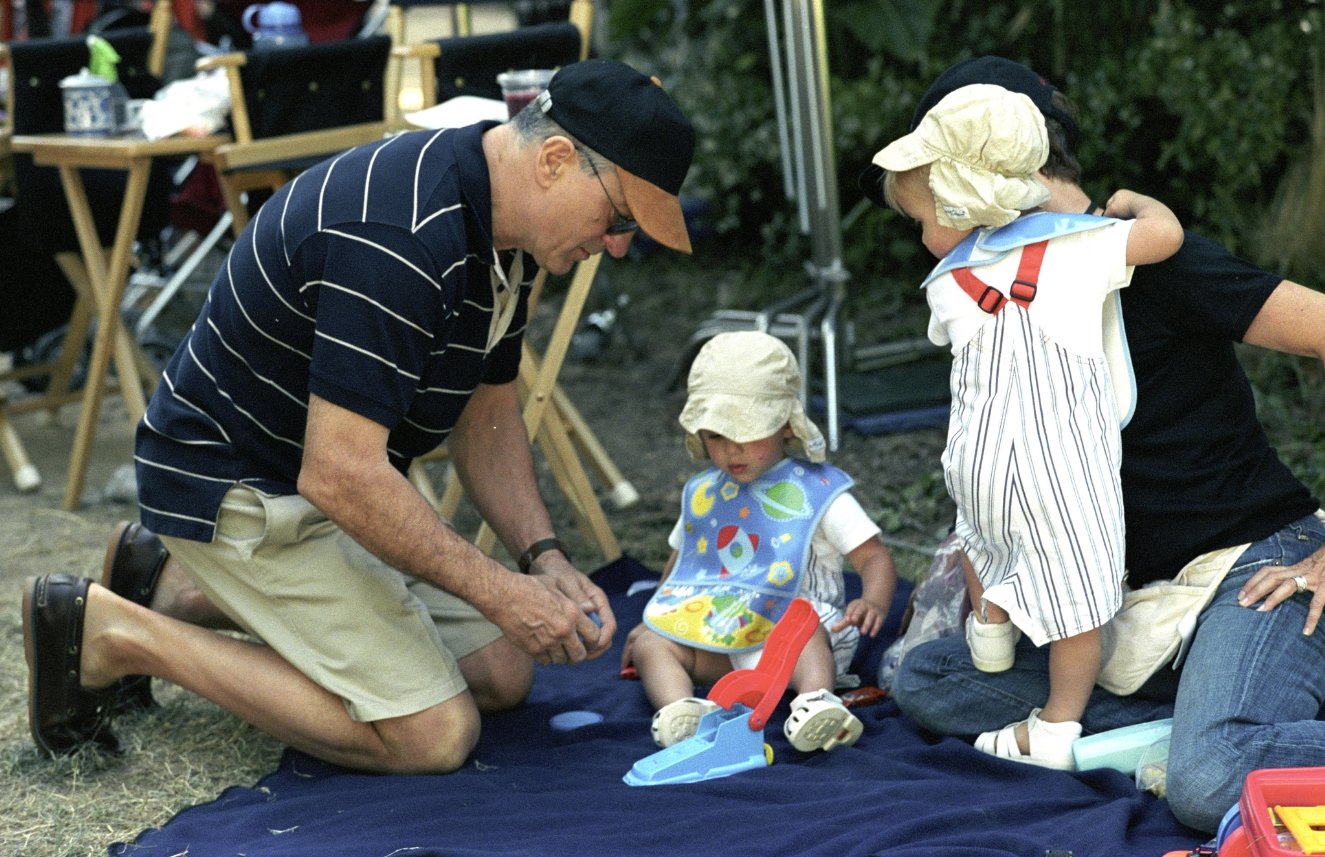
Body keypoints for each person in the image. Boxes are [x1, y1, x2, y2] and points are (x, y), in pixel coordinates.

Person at [21, 58, 696, 774]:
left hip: (326, 481)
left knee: (502, 670)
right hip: (240, 483)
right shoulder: (400, 236)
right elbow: (340, 474)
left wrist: (542, 557)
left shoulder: (512, 223)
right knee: (433, 735)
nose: (619, 244)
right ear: (556, 160)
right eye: (620, 217)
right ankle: (113, 631)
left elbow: (488, 406)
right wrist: (502, 589)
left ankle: (166, 581)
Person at [863, 55, 1325, 831]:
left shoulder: (1145, 258)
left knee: (1211, 781)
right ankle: (1192, 727)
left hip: (1246, 570)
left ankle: (1204, 737)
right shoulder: (986, 295)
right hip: (1113, 612)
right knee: (928, 675)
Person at [866, 82, 1184, 769]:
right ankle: (1056, 724)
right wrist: (1134, 205)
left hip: (977, 465)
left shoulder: (946, 287)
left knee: (985, 539)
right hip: (1062, 468)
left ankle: (990, 625)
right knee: (1077, 608)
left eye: (924, 219)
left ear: (961, 204)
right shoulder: (1080, 251)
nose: (924, 239)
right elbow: (1165, 238)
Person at [622, 331, 898, 752]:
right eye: (715, 436)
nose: (732, 449)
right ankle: (683, 712)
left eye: (747, 432)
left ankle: (814, 704)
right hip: (720, 635)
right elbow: (684, 562)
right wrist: (663, 613)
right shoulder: (705, 493)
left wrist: (874, 601)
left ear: (786, 424)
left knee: (802, 627)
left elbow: (873, 555)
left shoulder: (816, 493)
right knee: (650, 642)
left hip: (799, 643)